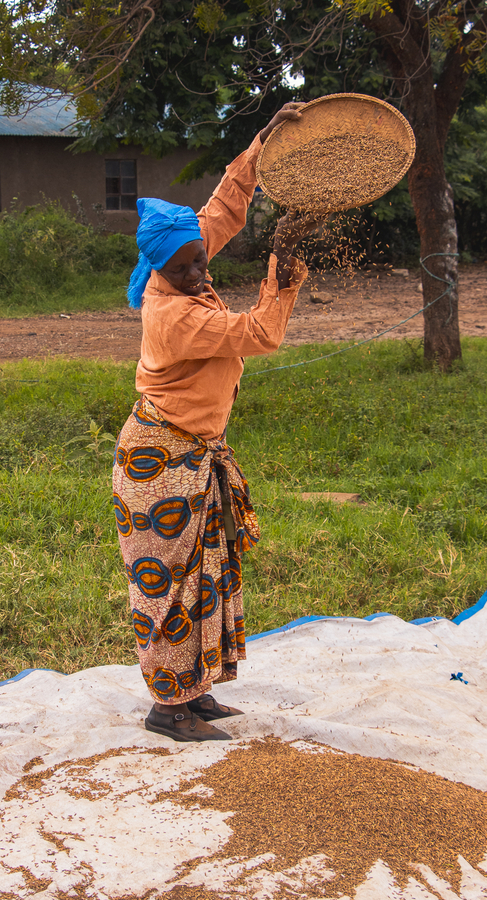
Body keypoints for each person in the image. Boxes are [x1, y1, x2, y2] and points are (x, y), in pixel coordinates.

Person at [113, 102, 318, 742]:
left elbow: (227, 204)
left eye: (202, 260)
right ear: (158, 272)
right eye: (187, 270)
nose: (201, 274)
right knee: (166, 585)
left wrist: (265, 141)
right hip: (158, 461)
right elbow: (259, 332)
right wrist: (280, 279)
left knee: (204, 570)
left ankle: (193, 693)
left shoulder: (182, 256)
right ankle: (166, 708)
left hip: (191, 453)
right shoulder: (173, 315)